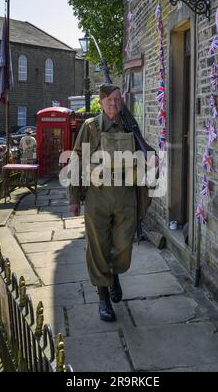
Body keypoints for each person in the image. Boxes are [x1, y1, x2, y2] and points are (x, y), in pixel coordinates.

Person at [69, 84, 152, 323]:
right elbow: (76, 162)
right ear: (101, 102)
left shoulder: (130, 126)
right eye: (109, 100)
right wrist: (74, 198)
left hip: (126, 197)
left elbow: (143, 157)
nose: (114, 104)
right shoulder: (90, 127)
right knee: (98, 248)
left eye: (118, 99)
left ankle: (114, 273)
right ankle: (103, 295)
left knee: (124, 247)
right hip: (98, 197)